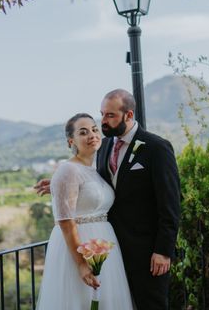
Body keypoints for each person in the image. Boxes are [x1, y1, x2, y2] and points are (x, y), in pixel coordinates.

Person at [36, 89, 181, 309]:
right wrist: (59, 185)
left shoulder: (156, 148)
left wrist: (163, 250)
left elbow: (170, 203)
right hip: (110, 251)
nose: (102, 122)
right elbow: (95, 184)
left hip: (147, 252)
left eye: (109, 116)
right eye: (102, 114)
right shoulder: (104, 147)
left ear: (129, 115)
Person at [35, 112, 134, 310]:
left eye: (94, 129)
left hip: (104, 250)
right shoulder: (67, 170)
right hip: (78, 251)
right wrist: (81, 263)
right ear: (71, 141)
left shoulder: (96, 169)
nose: (92, 135)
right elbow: (65, 220)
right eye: (83, 132)